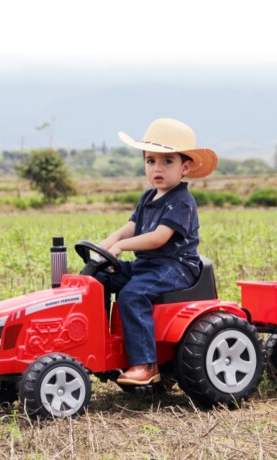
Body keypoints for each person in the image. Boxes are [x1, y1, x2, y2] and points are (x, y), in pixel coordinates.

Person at [96, 118, 218, 385]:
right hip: (148, 268)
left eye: (167, 161)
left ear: (185, 167)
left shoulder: (181, 201)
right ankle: (98, 343)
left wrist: (120, 246)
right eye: (151, 161)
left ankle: (146, 364)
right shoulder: (147, 197)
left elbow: (157, 238)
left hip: (175, 268)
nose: (157, 168)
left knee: (132, 294)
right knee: (99, 278)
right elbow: (128, 228)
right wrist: (106, 244)